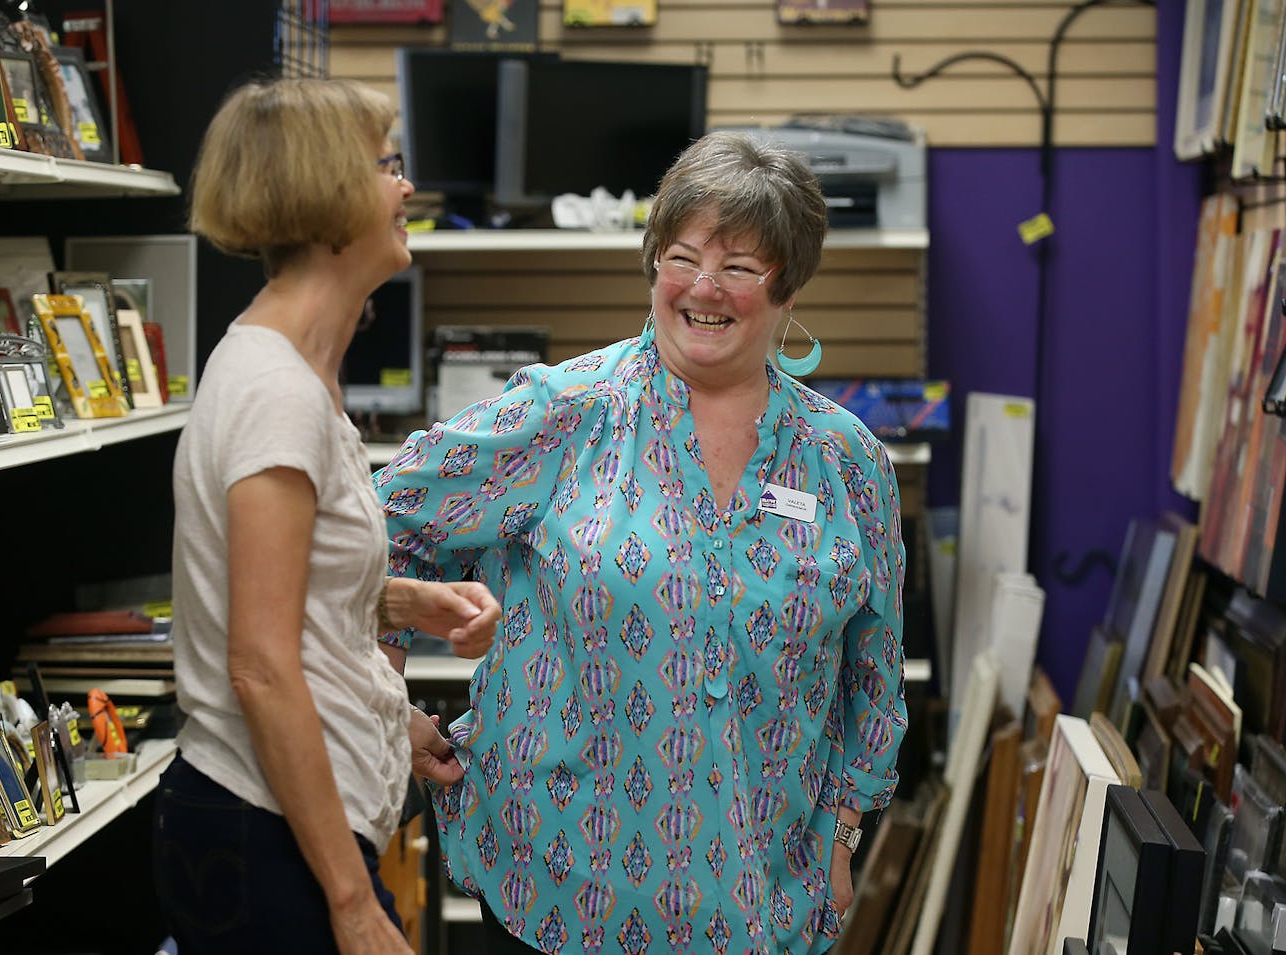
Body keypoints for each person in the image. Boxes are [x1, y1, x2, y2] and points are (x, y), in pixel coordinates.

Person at [374, 130, 908, 954]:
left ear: (789, 283)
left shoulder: (847, 459)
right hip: (558, 888)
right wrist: (383, 698)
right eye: (681, 256)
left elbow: (874, 676)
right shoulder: (563, 412)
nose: (703, 287)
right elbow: (380, 527)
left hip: (764, 897)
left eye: (739, 266)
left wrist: (842, 837)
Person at [152, 77, 501, 955]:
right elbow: (261, 665)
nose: (407, 188)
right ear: (327, 197)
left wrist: (403, 632)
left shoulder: (294, 375)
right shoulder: (279, 396)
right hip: (265, 831)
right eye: (389, 166)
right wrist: (352, 903)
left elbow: (293, 602)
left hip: (282, 823)